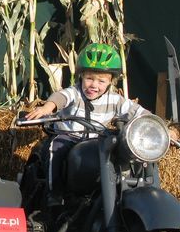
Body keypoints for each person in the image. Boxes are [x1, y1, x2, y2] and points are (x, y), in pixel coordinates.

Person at [25, 42, 148, 201]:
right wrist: (47, 108)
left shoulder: (115, 100)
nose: (94, 85)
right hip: (70, 137)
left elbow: (138, 112)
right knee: (54, 148)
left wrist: (161, 128)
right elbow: (61, 97)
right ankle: (54, 193)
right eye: (89, 78)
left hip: (98, 142)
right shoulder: (75, 93)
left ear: (111, 81)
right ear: (81, 76)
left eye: (101, 81)